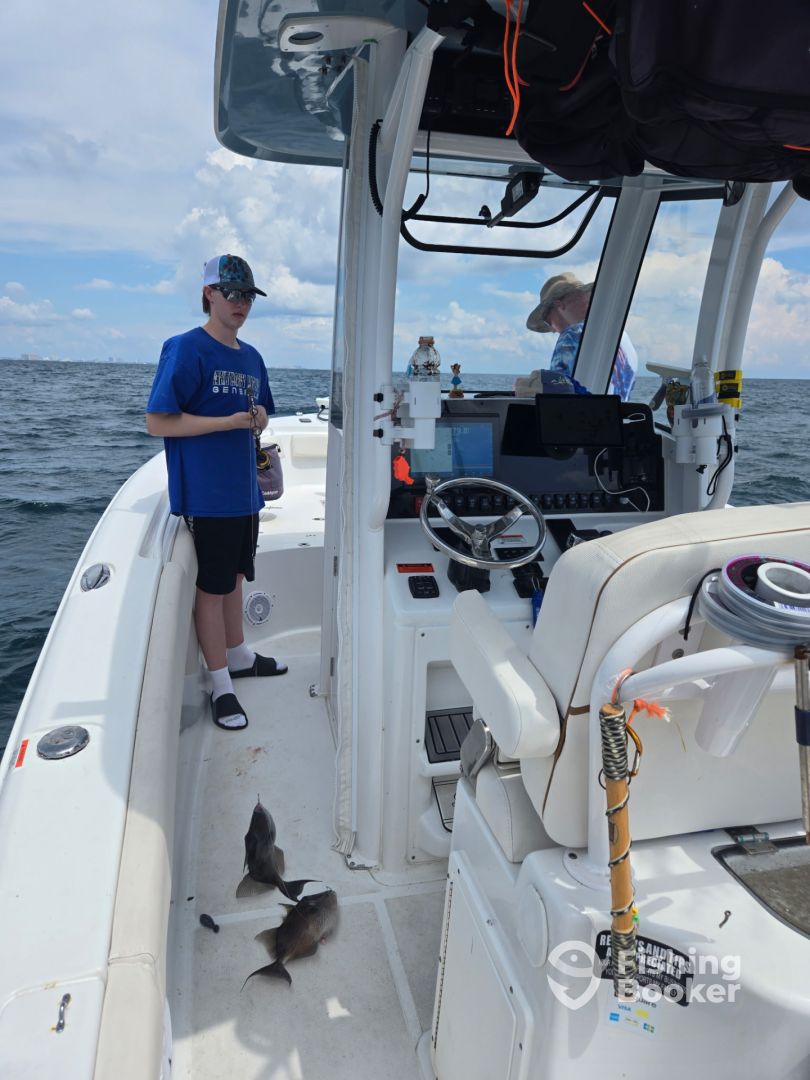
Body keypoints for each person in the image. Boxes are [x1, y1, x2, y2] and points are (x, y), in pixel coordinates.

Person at [146, 254, 288, 731]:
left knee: (236, 578)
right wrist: (225, 423)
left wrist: (259, 417)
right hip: (207, 496)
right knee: (211, 590)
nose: (240, 303)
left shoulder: (252, 357)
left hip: (246, 493)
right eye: (231, 293)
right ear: (209, 294)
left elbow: (263, 410)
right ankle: (220, 684)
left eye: (247, 295)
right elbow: (157, 422)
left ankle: (240, 654)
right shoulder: (186, 349)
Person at [521, 271, 637, 400]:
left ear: (559, 305)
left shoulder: (570, 336)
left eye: (548, 322)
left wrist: (536, 383)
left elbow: (558, 396)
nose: (553, 330)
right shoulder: (622, 337)